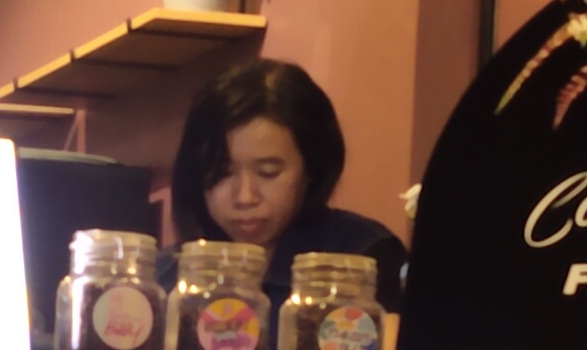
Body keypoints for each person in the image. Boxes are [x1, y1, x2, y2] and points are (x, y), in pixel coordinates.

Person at [166, 60, 407, 309]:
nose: (245, 197)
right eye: (222, 173)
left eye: (268, 173)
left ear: (312, 167)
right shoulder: (166, 277)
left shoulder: (363, 255)